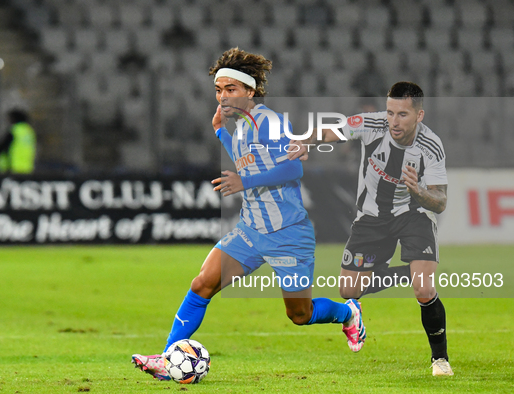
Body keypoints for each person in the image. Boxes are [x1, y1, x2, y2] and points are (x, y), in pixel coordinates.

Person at [131, 48, 366, 381]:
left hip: (287, 234)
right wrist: (221, 133)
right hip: (251, 231)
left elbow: (293, 168)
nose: (223, 96)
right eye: (219, 90)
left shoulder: (269, 122)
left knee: (299, 315)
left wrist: (245, 181)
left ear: (250, 91)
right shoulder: (241, 126)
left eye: (231, 90)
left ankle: (348, 313)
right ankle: (169, 358)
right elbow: (246, 161)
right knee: (203, 283)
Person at [288, 82, 453, 376]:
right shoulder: (372, 124)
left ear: (419, 115)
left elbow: (439, 201)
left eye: (402, 114)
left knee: (424, 289)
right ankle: (411, 272)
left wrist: (419, 194)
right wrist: (306, 142)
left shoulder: (431, 145)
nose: (393, 121)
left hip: (413, 215)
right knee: (349, 290)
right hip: (371, 219)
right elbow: (331, 130)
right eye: (390, 112)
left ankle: (440, 360)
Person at [0, 108, 36, 174]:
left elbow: (1, 147)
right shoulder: (29, 132)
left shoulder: (14, 131)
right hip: (27, 168)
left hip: (12, 167)